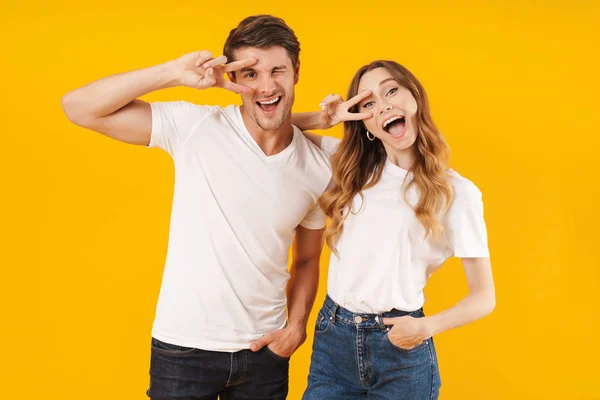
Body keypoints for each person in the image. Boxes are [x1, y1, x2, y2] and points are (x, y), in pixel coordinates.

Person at [61, 15, 332, 400]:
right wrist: (173, 72)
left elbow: (306, 260)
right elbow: (78, 107)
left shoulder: (319, 166)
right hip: (183, 351)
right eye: (251, 74)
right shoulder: (195, 126)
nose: (267, 86)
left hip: (265, 356)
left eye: (277, 71)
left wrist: (296, 328)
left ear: (296, 72)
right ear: (234, 79)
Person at [292, 60, 496, 399]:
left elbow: (483, 297)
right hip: (334, 340)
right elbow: (275, 132)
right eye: (369, 103)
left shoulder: (456, 193)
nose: (383, 105)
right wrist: (326, 119)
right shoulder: (349, 168)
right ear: (366, 122)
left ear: (414, 98)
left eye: (391, 91)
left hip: (400, 347)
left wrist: (425, 327)